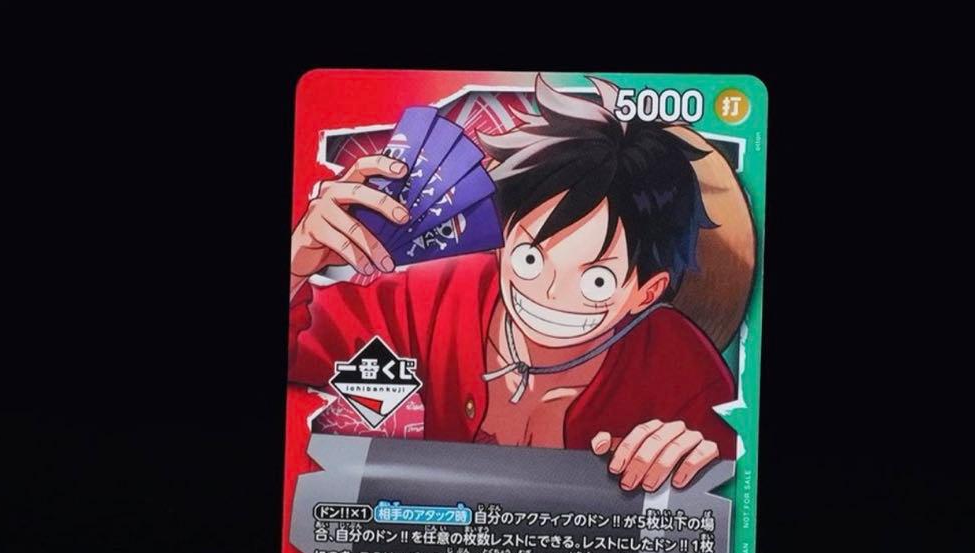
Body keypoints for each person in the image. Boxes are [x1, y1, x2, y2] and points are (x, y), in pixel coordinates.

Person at [288, 75, 736, 493]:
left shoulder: (683, 370)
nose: (549, 292)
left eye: (597, 281)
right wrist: (296, 262)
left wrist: (696, 461)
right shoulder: (439, 297)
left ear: (646, 292)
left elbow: (728, 490)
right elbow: (301, 350)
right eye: (530, 258)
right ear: (503, 242)